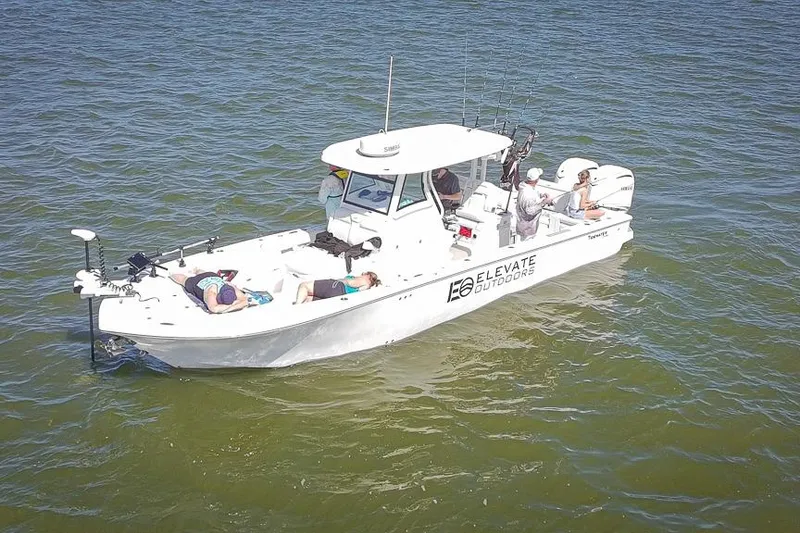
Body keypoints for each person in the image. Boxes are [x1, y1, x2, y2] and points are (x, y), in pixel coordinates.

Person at [170, 269, 250, 313]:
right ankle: (171, 274)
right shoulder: (211, 293)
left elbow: (245, 301)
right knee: (184, 280)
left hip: (212, 276)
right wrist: (231, 306)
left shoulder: (231, 288)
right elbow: (214, 308)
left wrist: (234, 305)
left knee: (204, 273)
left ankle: (196, 270)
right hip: (199, 282)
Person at [295, 272, 380, 304]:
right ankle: (301, 306)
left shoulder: (363, 281)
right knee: (308, 299)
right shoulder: (366, 285)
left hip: (335, 285)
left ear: (367, 275)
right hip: (338, 296)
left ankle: (297, 306)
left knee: (304, 286)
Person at [515, 167, 553, 240]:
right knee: (526, 241)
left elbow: (532, 196)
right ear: (536, 180)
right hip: (527, 227)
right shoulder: (528, 194)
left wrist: (541, 195)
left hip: (522, 222)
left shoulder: (524, 185)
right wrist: (544, 202)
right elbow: (530, 211)